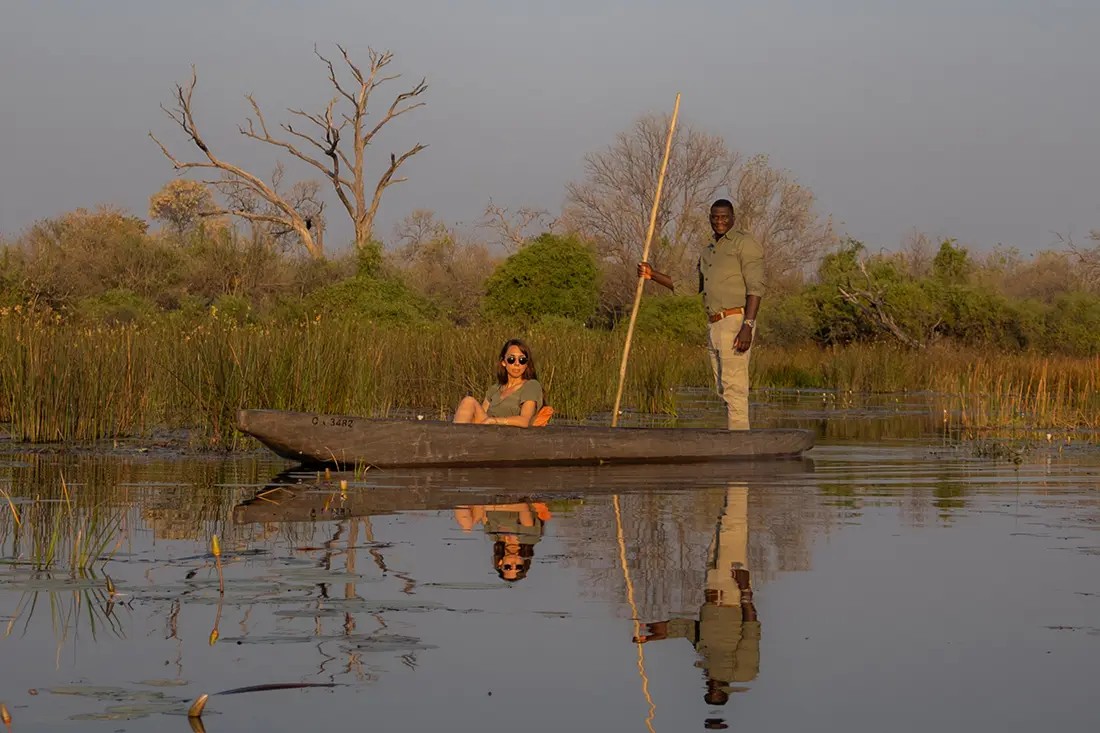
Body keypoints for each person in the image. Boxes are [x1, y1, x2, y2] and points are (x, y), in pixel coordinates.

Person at [632, 485, 760, 717]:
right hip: (732, 592)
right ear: (725, 690)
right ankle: (740, 475)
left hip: (711, 587)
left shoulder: (706, 662)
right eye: (715, 688)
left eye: (708, 688)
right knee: (734, 526)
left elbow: (690, 629)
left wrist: (654, 635)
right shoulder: (744, 672)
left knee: (723, 524)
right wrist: (745, 590)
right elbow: (751, 629)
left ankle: (734, 475)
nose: (710, 684)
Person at [638, 199, 765, 430]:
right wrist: (652, 275)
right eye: (715, 217)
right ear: (710, 219)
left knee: (734, 387)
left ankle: (741, 443)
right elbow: (691, 286)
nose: (720, 221)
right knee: (722, 387)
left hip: (736, 322)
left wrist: (747, 325)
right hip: (714, 324)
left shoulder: (744, 243)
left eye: (724, 217)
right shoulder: (708, 251)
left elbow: (756, 287)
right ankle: (734, 437)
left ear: (733, 217)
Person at [453, 339, 544, 428]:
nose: (517, 364)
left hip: (510, 433)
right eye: (511, 359)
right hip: (488, 430)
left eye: (522, 360)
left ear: (526, 364)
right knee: (468, 401)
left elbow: (524, 421)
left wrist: (496, 421)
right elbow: (481, 417)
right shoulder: (495, 389)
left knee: (469, 401)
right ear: (504, 362)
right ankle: (456, 436)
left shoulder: (531, 385)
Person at [453, 501, 552, 582]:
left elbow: (482, 514)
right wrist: (492, 507)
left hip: (490, 501)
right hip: (511, 496)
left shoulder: (494, 536)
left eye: (508, 567)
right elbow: (523, 506)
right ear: (524, 563)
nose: (513, 564)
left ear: (500, 563)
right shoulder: (530, 538)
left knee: (467, 527)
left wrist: (480, 513)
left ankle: (460, 490)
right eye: (518, 566)